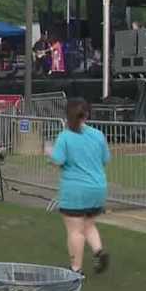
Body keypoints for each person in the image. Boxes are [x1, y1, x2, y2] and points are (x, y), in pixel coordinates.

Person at [50, 99, 110, 275]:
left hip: (75, 190)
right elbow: (105, 159)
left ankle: (76, 269)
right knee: (88, 225)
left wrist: (49, 152)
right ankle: (98, 250)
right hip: (97, 188)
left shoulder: (65, 137)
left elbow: (58, 161)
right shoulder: (98, 135)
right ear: (87, 114)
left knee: (75, 231)